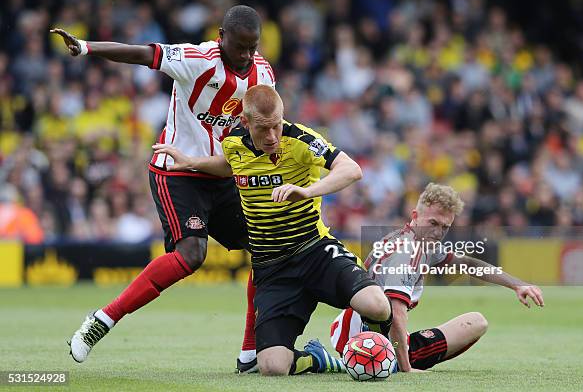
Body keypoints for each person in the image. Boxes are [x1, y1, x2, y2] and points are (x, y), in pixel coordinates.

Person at [51, 5, 276, 364]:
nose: (247, 55)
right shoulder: (196, 58)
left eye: (253, 47)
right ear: (221, 37)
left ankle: (249, 350)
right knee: (191, 255)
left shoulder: (263, 73)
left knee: (269, 245)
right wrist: (87, 46)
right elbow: (144, 53)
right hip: (176, 171)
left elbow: (265, 126)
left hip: (220, 174)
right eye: (240, 47)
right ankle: (102, 319)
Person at [153, 84, 394, 376]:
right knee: (272, 367)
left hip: (314, 249)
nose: (271, 136)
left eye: (276, 126)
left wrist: (308, 191)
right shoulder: (233, 142)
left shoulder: (301, 139)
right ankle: (319, 359)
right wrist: (192, 163)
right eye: (263, 129)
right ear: (245, 122)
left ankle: (382, 356)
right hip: (272, 267)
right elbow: (229, 166)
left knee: (377, 305)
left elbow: (351, 169)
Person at [330, 183, 545, 372]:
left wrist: (517, 284)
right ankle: (388, 363)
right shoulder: (409, 253)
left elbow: (469, 264)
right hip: (369, 347)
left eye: (445, 227)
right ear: (415, 216)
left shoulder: (409, 239)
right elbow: (397, 314)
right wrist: (407, 369)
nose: (438, 232)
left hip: (349, 333)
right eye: (433, 223)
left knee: (473, 321)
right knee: (476, 322)